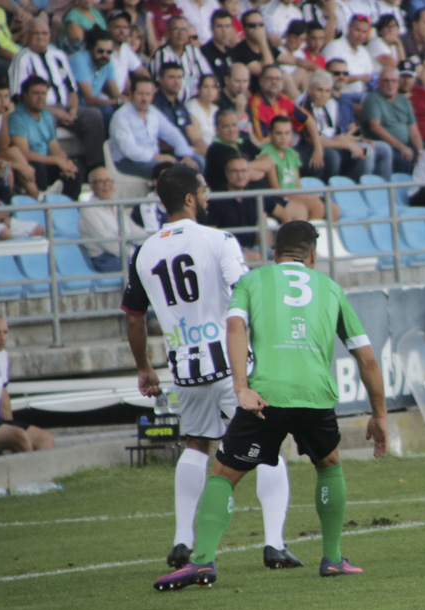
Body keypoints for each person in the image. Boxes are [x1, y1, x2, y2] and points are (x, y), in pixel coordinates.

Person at [153, 219, 388, 590]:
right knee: (328, 465)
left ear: (274, 255)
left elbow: (234, 329)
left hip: (265, 396)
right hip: (314, 396)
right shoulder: (331, 289)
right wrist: (379, 414)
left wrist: (241, 387)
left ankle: (202, 562)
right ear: (312, 256)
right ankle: (332, 559)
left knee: (224, 475)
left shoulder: (251, 282)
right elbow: (368, 359)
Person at [124, 165, 299, 574]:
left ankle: (182, 538)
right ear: (188, 198)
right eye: (202, 190)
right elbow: (246, 294)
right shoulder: (219, 240)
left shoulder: (144, 251)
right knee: (268, 444)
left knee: (196, 445)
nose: (206, 196)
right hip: (229, 361)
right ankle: (273, 543)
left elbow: (134, 318)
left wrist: (144, 367)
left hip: (185, 366)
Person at [7, 17, 105, 175]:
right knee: (45, 119)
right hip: (39, 110)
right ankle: (52, 170)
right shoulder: (21, 58)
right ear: (27, 36)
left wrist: (72, 110)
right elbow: (20, 97)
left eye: (45, 33)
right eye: (36, 33)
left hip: (65, 107)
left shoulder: (58, 55)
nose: (41, 37)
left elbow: (72, 89)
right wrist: (56, 112)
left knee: (95, 116)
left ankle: (96, 169)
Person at [0, 315, 56, 459]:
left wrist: (10, 423)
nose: (3, 338)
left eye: (5, 332)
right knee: (19, 436)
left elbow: (3, 395)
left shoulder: (3, 355)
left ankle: (43, 476)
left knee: (45, 439)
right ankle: (29, 477)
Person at [209, 152, 304, 256]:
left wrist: (287, 244)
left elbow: (283, 214)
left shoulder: (257, 195)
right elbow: (211, 232)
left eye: (243, 171)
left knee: (285, 257)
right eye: (234, 171)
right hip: (228, 253)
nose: (240, 175)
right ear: (227, 173)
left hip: (255, 250)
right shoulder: (216, 199)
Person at [7, 75, 84, 200]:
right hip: (30, 164)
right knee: (37, 167)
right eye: (36, 93)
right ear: (25, 95)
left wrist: (65, 163)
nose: (41, 97)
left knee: (75, 168)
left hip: (47, 162)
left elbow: (54, 147)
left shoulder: (47, 115)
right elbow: (24, 153)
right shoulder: (17, 117)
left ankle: (68, 206)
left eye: (43, 93)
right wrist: (56, 161)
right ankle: (42, 204)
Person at [108, 76, 200, 178]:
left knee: (197, 162)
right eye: (140, 94)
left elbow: (173, 134)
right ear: (131, 93)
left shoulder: (153, 112)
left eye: (148, 94)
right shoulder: (121, 116)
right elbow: (130, 150)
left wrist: (185, 155)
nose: (145, 98)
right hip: (127, 161)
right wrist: (158, 157)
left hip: (153, 159)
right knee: (169, 170)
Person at [78, 167, 150, 271]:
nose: (106, 185)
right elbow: (109, 244)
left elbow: (134, 231)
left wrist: (150, 244)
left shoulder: (115, 205)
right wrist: (135, 254)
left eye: (108, 181)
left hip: (125, 253)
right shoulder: (88, 210)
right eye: (101, 182)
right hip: (105, 259)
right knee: (147, 264)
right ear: (92, 186)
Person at [360, 67, 424, 173]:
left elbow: (413, 130)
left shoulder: (404, 100)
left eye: (393, 81)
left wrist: (420, 151)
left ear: (398, 83)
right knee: (404, 160)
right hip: (386, 145)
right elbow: (375, 127)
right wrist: (401, 147)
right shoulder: (372, 99)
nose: (390, 84)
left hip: (405, 145)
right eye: (386, 80)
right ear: (378, 82)